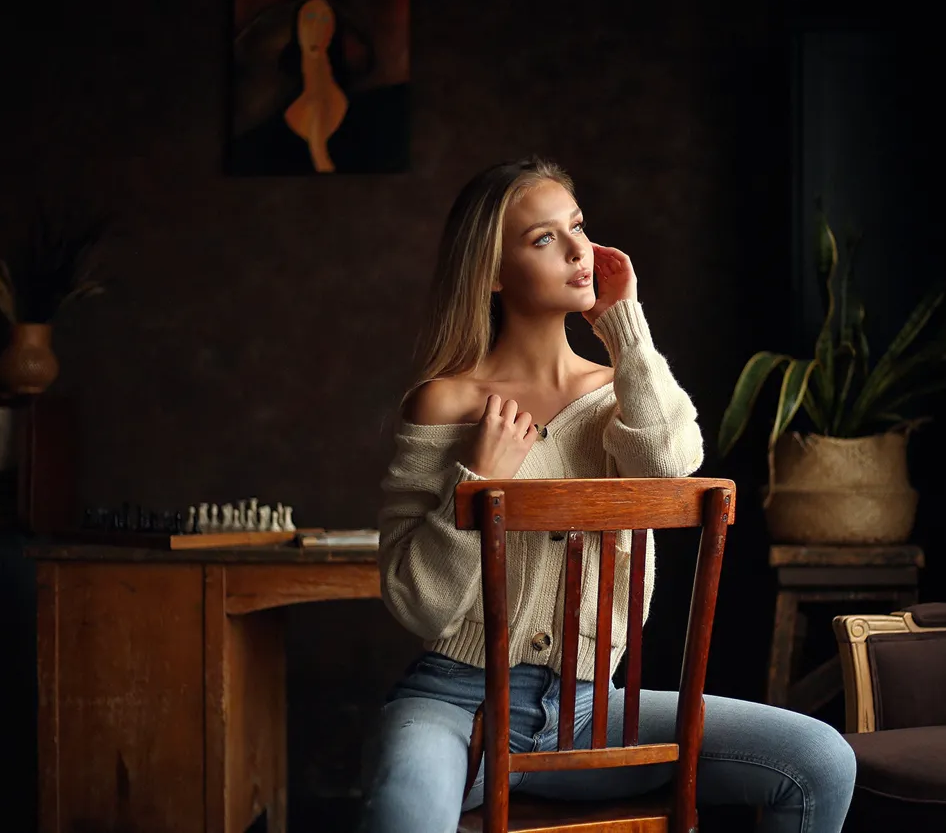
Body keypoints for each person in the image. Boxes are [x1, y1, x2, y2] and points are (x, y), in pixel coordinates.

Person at [358, 157, 857, 833]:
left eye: (578, 228)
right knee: (402, 813)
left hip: (594, 711)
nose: (577, 251)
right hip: (453, 703)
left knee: (821, 760)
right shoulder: (445, 401)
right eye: (544, 239)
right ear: (495, 275)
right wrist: (472, 484)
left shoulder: (624, 392)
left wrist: (626, 328)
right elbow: (418, 603)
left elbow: (668, 469)